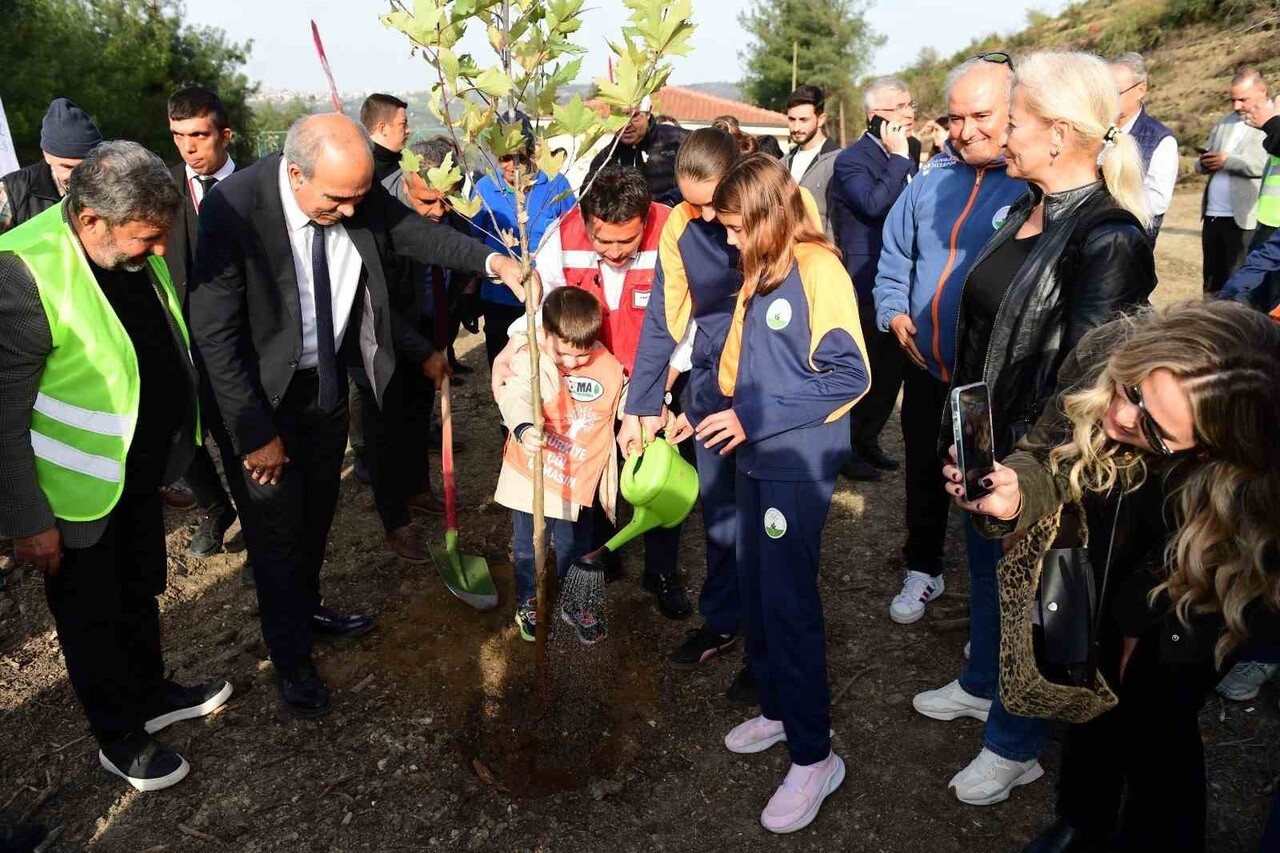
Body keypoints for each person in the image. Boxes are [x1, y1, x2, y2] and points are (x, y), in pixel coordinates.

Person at [189, 113, 530, 718]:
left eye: (358, 198)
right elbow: (214, 334)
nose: (351, 212)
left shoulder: (353, 194)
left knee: (317, 514)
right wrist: (254, 432)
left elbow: (415, 234)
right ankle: (291, 658)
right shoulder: (234, 208)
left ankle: (308, 610)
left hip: (324, 384)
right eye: (336, 200)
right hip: (262, 399)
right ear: (296, 175)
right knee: (275, 534)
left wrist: (495, 264)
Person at [913, 50, 1157, 807]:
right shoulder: (1026, 206)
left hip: (1040, 456)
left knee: (1030, 597)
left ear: (1057, 133)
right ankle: (982, 682)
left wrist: (1028, 465)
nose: (1000, 135)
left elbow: (1087, 381)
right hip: (989, 433)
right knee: (988, 575)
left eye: (1011, 121)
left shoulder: (1108, 236)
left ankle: (1015, 745)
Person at [948, 301, 1280, 853]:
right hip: (1096, 564)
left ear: (1216, 448)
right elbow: (1046, 457)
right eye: (1131, 391)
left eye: (1156, 430)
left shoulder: (1256, 475)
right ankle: (1082, 819)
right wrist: (1014, 498)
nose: (1123, 418)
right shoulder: (1110, 351)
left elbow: (1248, 583)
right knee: (1090, 694)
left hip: (1196, 586)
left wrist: (1155, 632)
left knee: (1158, 721)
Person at [0, 141, 232, 791]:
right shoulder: (22, 272)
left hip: (134, 471)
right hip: (72, 494)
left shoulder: (122, 248)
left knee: (138, 590)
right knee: (92, 616)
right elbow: (2, 416)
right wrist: (28, 519)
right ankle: (119, 735)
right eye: (147, 238)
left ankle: (151, 695)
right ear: (91, 219)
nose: (159, 251)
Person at [707, 154, 869, 834]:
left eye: (737, 227)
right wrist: (704, 410)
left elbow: (849, 375)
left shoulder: (818, 269)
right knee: (756, 588)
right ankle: (777, 707)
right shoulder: (761, 269)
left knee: (789, 600)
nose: (729, 240)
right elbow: (738, 370)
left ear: (771, 216)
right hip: (755, 457)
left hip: (795, 463)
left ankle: (814, 754)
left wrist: (753, 416)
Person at [492, 168, 691, 619]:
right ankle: (603, 554)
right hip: (588, 379)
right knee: (593, 465)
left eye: (628, 240)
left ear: (645, 218)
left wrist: (654, 393)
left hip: (654, 376)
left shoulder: (673, 232)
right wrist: (514, 344)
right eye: (604, 242)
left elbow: (691, 317)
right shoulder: (560, 236)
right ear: (585, 222)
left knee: (656, 473)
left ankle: (661, 571)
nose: (616, 252)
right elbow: (542, 304)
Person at [874, 55, 1025, 625]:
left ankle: (992, 607)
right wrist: (893, 312)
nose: (965, 131)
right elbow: (895, 256)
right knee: (922, 470)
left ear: (1014, 112)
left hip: (985, 380)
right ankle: (924, 567)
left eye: (981, 116)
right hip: (925, 365)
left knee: (983, 477)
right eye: (956, 118)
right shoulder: (931, 179)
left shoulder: (1029, 186)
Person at [623, 128, 748, 685]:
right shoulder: (680, 225)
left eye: (713, 204)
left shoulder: (778, 212)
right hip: (711, 388)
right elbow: (664, 317)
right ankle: (722, 621)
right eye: (693, 204)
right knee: (720, 514)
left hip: (768, 389)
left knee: (767, 524)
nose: (705, 216)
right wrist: (643, 402)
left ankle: (768, 643)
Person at [494, 287, 626, 644]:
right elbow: (516, 392)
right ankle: (529, 600)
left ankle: (576, 601)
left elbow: (622, 395)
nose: (572, 362)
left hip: (576, 478)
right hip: (534, 473)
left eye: (581, 356)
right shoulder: (531, 357)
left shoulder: (607, 364)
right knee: (528, 544)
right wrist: (523, 427)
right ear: (546, 333)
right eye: (563, 354)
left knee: (575, 544)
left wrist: (645, 414)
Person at [163, 85, 245, 562]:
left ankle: (260, 535)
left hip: (240, 346)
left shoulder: (256, 187)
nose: (188, 148)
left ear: (225, 135)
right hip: (179, 344)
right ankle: (216, 509)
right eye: (178, 136)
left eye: (198, 135)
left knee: (240, 440)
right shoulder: (162, 190)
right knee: (181, 436)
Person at [829, 75, 919, 481]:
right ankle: (846, 448)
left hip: (904, 280)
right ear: (874, 116)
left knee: (891, 374)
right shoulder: (851, 160)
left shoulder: (910, 151)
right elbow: (872, 203)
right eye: (898, 107)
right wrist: (899, 158)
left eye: (910, 105)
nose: (908, 113)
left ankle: (869, 440)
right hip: (865, 281)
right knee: (864, 370)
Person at [471, 112, 575, 367]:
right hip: (500, 296)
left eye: (519, 156)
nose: (511, 165)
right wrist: (469, 292)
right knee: (505, 366)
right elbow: (474, 242)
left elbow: (572, 236)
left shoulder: (556, 184)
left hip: (547, 297)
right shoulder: (485, 188)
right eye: (504, 158)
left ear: (532, 151)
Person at [1197, 69, 1269, 294]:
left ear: (1262, 91)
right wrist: (1204, 162)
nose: (1237, 106)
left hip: (1245, 218)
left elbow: (1262, 165)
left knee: (1238, 283)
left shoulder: (1272, 124)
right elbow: (1206, 156)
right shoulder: (1224, 122)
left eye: (1243, 99)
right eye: (1233, 100)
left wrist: (1227, 161)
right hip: (1213, 216)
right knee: (1211, 283)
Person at [0, 97, 102, 235]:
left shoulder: (114, 186)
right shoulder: (13, 192)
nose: (77, 175)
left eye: (86, 166)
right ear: (46, 155)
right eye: (67, 167)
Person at [1109, 53, 1177, 241]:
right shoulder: (1093, 128)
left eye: (1115, 92)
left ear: (1141, 89)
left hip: (1128, 239)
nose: (1107, 99)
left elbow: (1157, 200)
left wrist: (1110, 203)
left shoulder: (1160, 139)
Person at [584, 97, 688, 202]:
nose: (626, 125)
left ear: (648, 113)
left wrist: (670, 202)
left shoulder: (679, 140)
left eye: (634, 116)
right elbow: (588, 201)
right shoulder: (604, 160)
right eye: (619, 117)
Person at [783, 84, 841, 236]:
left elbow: (838, 222)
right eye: (791, 119)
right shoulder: (782, 163)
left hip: (821, 248)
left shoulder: (838, 162)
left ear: (821, 119)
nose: (796, 127)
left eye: (803, 120)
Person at [360, 93, 411, 183]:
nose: (408, 130)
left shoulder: (402, 162)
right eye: (403, 124)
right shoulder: (364, 172)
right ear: (382, 128)